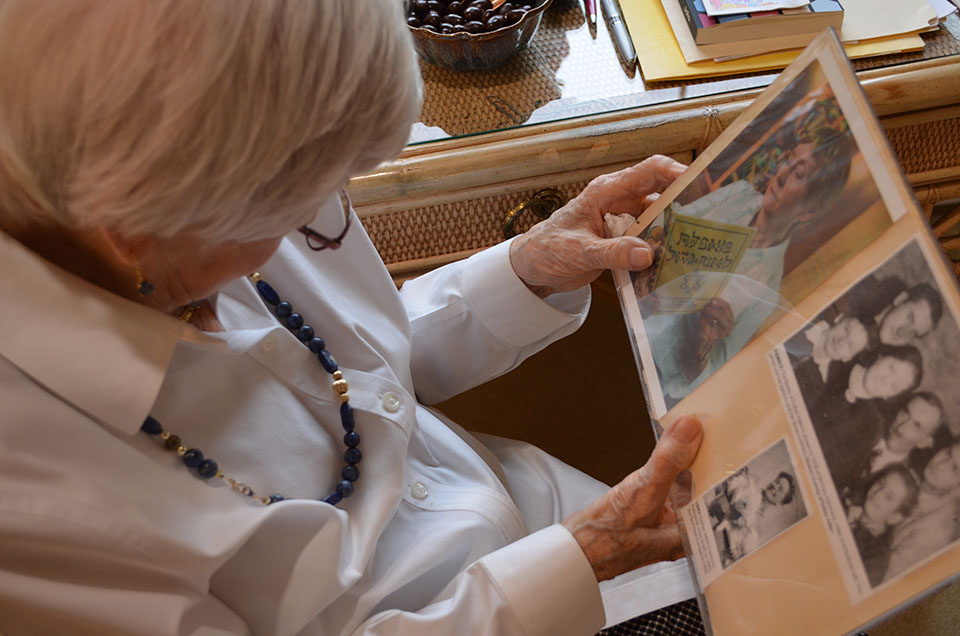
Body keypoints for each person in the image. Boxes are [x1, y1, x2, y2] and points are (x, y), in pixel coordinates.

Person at [0, 2, 705, 635]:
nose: (325, 213)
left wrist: (526, 265)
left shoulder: (194, 205)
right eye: (299, 201)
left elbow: (337, 370)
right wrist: (575, 561)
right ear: (137, 225)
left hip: (545, 513)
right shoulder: (28, 516)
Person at [640, 100, 856, 402]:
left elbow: (702, 380)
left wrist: (706, 340)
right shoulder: (740, 194)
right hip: (629, 299)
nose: (782, 173)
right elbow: (669, 216)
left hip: (653, 368)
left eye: (799, 173)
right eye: (790, 161)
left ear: (808, 210)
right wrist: (657, 240)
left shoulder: (767, 286)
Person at [816, 392, 944, 493]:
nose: (901, 427)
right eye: (905, 413)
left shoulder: (901, 484)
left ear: (924, 442)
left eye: (916, 426)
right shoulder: (865, 423)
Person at [885, 440, 960, 581]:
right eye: (948, 452)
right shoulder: (918, 474)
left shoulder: (933, 532)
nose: (940, 464)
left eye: (954, 468)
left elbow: (881, 578)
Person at [844, 464, 920, 587]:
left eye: (889, 497)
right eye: (881, 483)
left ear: (894, 517)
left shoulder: (877, 555)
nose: (878, 492)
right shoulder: (848, 502)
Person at [837, 276, 944, 346]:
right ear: (900, 299)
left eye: (913, 333)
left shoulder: (885, 365)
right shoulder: (855, 291)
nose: (901, 332)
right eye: (909, 317)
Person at [786, 313, 873, 389]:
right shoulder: (800, 321)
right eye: (846, 329)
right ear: (838, 319)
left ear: (848, 358)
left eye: (850, 345)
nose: (841, 342)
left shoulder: (820, 383)